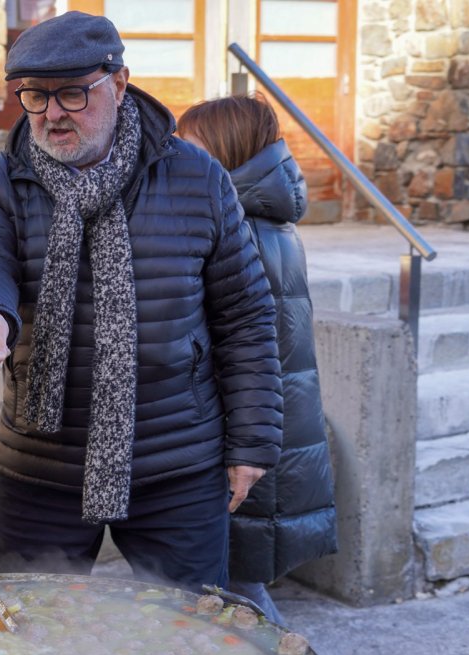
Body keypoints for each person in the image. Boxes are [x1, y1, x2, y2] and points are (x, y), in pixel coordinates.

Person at [0, 11, 283, 598]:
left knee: (190, 637)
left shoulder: (196, 177)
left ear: (120, 82)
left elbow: (245, 317)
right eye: (34, 96)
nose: (52, 114)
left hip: (176, 467)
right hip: (42, 470)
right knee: (42, 639)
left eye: (73, 94)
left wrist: (252, 442)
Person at [177, 93, 339, 625]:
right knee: (229, 581)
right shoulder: (268, 218)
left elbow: (239, 341)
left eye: (190, 146)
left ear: (224, 152)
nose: (177, 156)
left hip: (246, 428)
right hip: (271, 419)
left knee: (234, 587)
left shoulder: (241, 226)